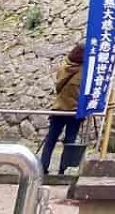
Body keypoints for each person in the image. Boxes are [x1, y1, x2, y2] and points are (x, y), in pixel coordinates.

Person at [39, 43, 84, 174]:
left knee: (50, 140)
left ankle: (43, 167)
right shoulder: (83, 71)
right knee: (69, 141)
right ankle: (63, 170)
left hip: (58, 109)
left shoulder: (63, 67)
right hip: (73, 111)